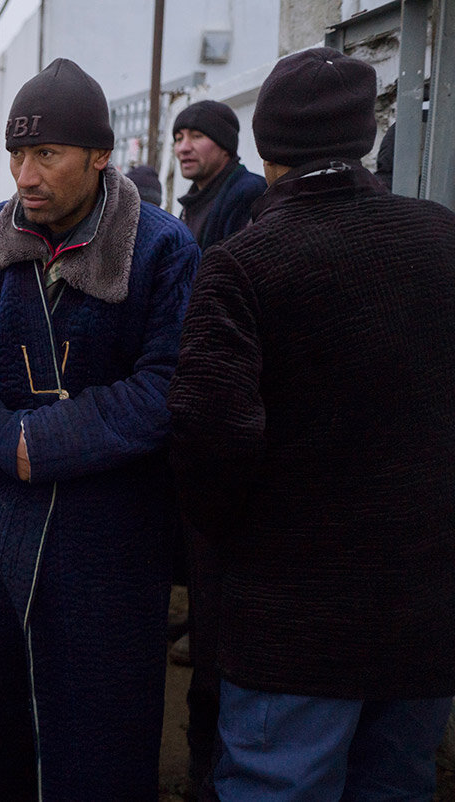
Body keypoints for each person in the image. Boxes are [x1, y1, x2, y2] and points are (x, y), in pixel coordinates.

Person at [167, 47, 455, 801]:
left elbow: (206, 440)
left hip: (293, 626)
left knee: (276, 787)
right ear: (363, 134)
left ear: (264, 145)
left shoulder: (243, 265)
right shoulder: (442, 237)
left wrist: (226, 549)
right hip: (425, 612)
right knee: (398, 785)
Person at [0, 58, 200, 800]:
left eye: (47, 154)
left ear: (100, 156)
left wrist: (44, 442)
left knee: (96, 720)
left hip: (102, 525)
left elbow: (167, 380)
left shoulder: (162, 251)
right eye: (17, 154)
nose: (25, 175)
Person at [169, 99, 267, 797]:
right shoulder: (196, 203)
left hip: (226, 400)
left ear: (227, 144)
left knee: (223, 600)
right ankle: (206, 752)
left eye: (196, 133)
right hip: (194, 385)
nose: (183, 144)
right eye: (177, 134)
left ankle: (213, 761)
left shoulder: (247, 200)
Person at [172, 100, 267, 250]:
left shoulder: (249, 192)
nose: (183, 148)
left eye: (197, 136)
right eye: (178, 139)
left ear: (225, 145)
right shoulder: (192, 203)